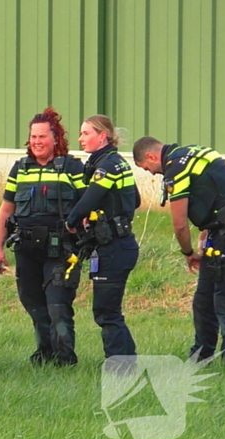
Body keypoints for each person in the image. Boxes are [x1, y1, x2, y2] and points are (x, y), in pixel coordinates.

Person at [133, 137, 225, 363]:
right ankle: (201, 354)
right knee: (204, 298)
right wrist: (206, 230)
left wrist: (188, 253)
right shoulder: (194, 152)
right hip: (223, 229)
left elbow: (179, 224)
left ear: (151, 156)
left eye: (147, 168)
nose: (152, 173)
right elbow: (217, 191)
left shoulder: (176, 169)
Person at [0, 107, 86, 366]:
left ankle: (65, 359)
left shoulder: (72, 167)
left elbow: (87, 205)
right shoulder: (20, 169)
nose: (36, 142)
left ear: (55, 138)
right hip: (26, 249)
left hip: (60, 250)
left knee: (57, 304)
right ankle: (45, 353)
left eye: (42, 137)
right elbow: (6, 210)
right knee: (33, 303)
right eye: (33, 137)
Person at [65, 115, 139, 360]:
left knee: (106, 312)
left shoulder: (106, 166)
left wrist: (71, 221)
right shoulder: (117, 163)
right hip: (120, 244)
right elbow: (135, 199)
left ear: (103, 136)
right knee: (109, 311)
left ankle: (120, 368)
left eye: (86, 133)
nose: (81, 138)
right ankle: (126, 362)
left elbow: (90, 199)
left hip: (114, 246)